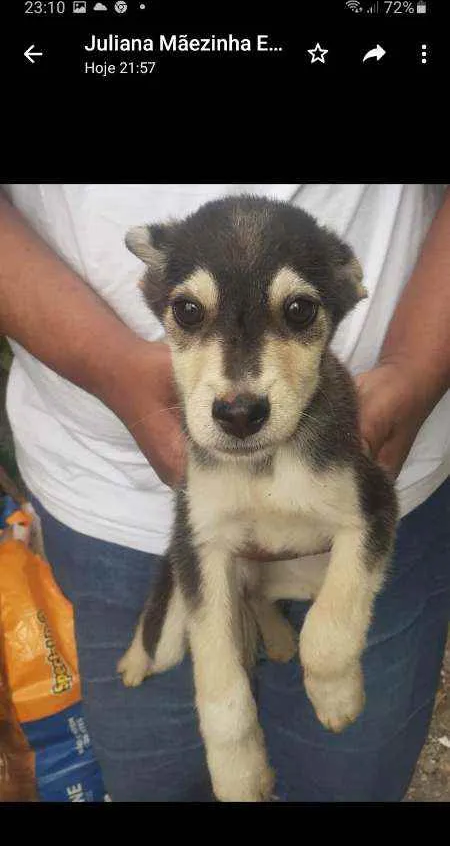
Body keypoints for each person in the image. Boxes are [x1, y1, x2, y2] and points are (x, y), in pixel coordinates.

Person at [0, 183, 449, 802]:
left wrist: (416, 368)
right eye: (189, 314)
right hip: (107, 497)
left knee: (349, 780)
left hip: (398, 458)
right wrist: (110, 367)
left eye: (298, 313)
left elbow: (368, 519)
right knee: (157, 779)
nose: (239, 396)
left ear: (348, 288)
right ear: (155, 290)